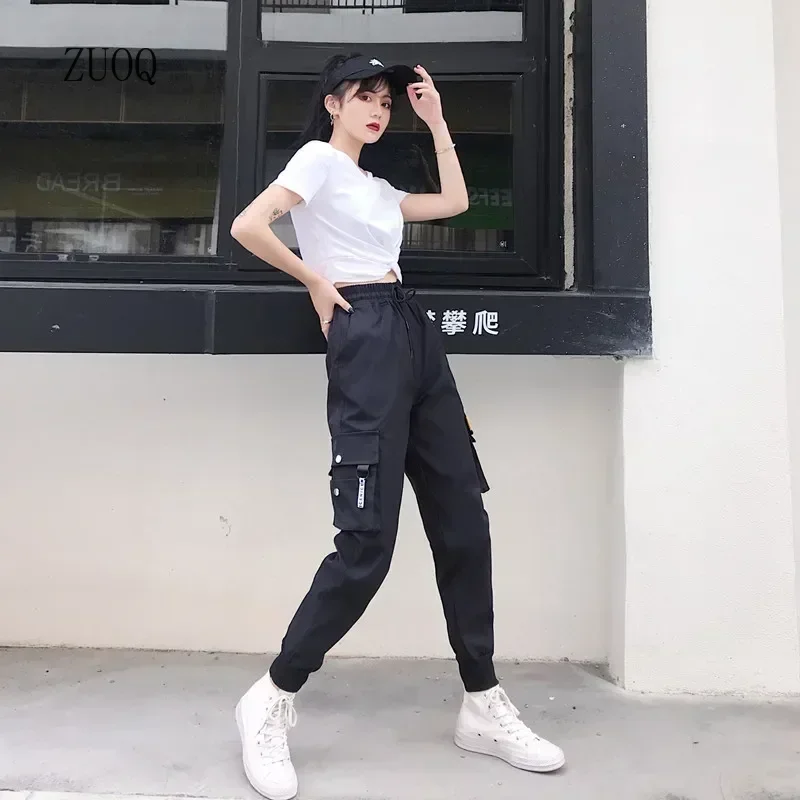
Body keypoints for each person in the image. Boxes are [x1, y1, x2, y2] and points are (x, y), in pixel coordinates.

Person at [230, 52, 566, 800]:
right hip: (366, 332)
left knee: (463, 520)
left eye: (386, 100)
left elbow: (454, 202)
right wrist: (315, 280)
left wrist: (437, 122)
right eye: (365, 97)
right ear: (333, 104)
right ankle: (273, 695)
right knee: (367, 545)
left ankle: (481, 700)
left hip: (412, 329)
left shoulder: (376, 187)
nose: (378, 110)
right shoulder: (317, 160)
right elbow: (249, 225)